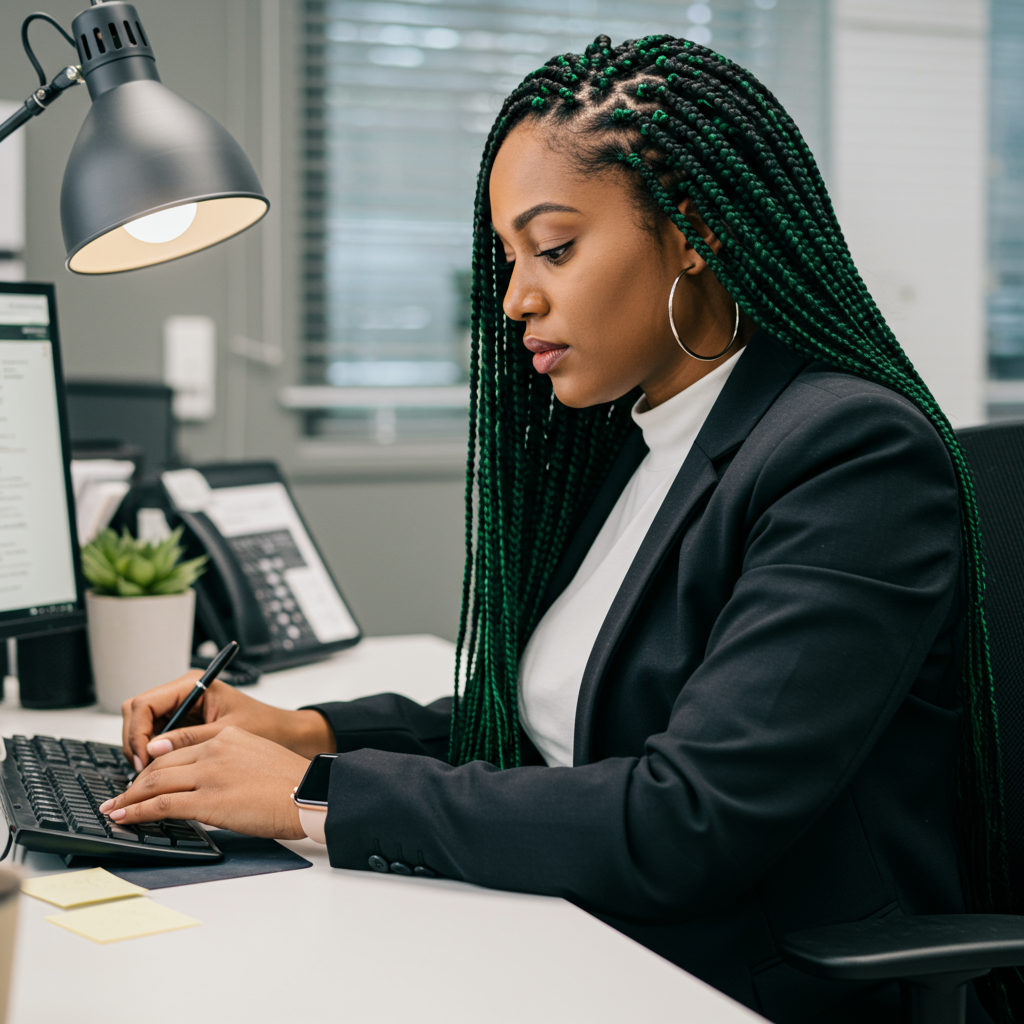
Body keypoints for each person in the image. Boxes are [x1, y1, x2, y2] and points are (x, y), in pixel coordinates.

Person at [100, 35, 1011, 1024]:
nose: (514, 297)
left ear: (694, 228)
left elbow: (684, 815)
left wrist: (308, 795)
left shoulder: (852, 455)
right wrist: (307, 731)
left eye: (555, 246)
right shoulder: (631, 438)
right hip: (586, 932)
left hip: (739, 977)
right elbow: (564, 721)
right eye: (508, 256)